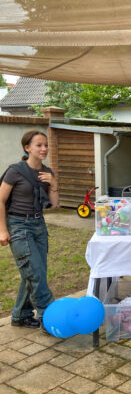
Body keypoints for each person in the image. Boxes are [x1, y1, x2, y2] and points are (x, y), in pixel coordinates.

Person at [0, 130, 58, 330]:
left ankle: (20, 315)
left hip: (39, 226)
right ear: (27, 148)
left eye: (46, 145)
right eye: (39, 145)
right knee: (36, 274)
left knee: (34, 273)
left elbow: (54, 204)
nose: (44, 149)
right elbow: (0, 199)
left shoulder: (47, 172)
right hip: (18, 226)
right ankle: (49, 319)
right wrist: (2, 230)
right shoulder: (15, 170)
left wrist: (53, 183)